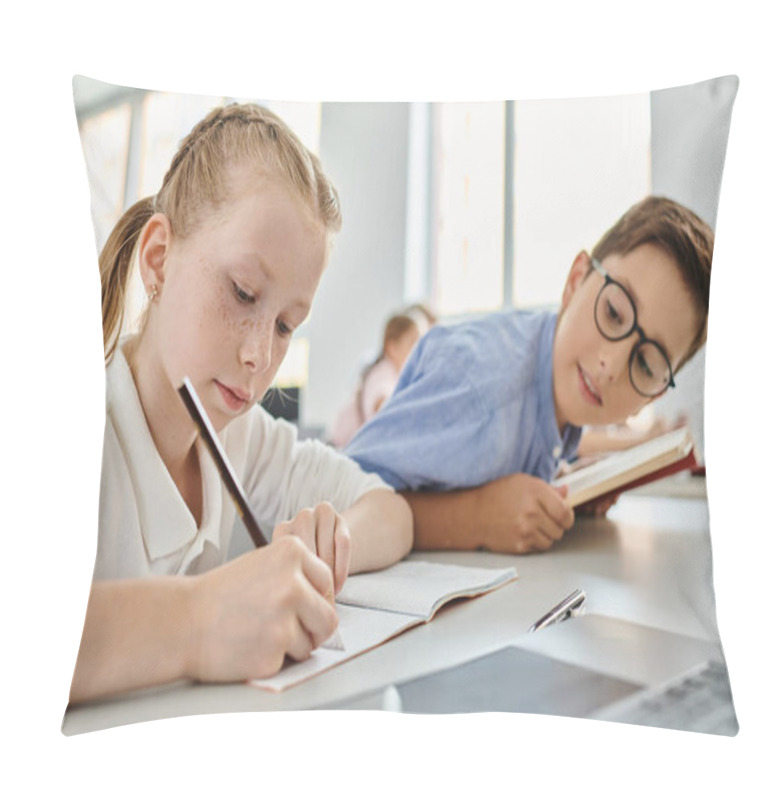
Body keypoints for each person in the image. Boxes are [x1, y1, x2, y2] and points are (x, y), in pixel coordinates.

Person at [70, 103, 413, 704]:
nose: (259, 355)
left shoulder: (241, 437)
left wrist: (323, 548)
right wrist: (204, 618)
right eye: (242, 292)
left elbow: (390, 513)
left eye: (285, 325)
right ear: (159, 260)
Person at [345, 196, 713, 555]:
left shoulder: (561, 404)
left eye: (647, 365)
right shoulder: (482, 384)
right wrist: (476, 519)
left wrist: (559, 492)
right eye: (614, 313)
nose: (612, 366)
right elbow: (336, 491)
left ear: (653, 396)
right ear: (575, 281)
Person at [329, 312, 424, 448]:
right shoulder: (382, 375)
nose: (417, 352)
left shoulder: (393, 375)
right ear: (392, 347)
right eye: (411, 343)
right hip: (339, 448)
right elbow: (382, 402)